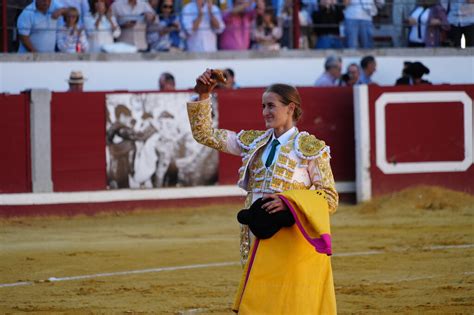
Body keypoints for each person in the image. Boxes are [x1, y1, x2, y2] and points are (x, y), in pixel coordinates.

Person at [187, 68, 338, 313]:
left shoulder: (311, 148)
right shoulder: (253, 142)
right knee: (259, 292)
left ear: (290, 107)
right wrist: (204, 95)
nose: (265, 112)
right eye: (263, 106)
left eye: (271, 106)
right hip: (256, 229)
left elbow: (329, 198)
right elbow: (205, 135)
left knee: (288, 296)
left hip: (290, 233)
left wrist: (290, 203)